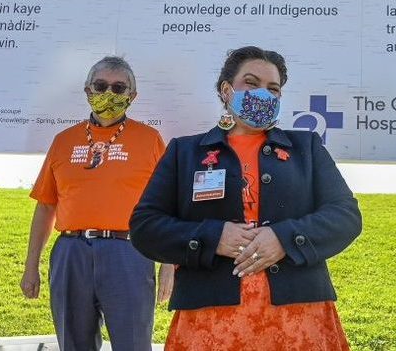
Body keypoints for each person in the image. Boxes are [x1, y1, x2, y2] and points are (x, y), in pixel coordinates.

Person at [130, 46, 362, 350]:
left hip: (299, 318)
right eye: (251, 83)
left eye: (273, 88)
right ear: (227, 90)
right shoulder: (185, 152)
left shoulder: (305, 147)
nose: (262, 93)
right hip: (210, 321)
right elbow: (146, 226)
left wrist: (284, 239)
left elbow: (346, 216)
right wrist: (212, 238)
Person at [21, 56, 173, 351]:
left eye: (119, 88)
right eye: (101, 85)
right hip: (70, 252)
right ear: (88, 90)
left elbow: (166, 205)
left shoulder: (150, 139)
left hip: (129, 251)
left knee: (132, 343)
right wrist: (31, 266)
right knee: (74, 343)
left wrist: (169, 265)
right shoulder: (63, 141)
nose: (109, 93)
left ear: (132, 96)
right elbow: (45, 207)